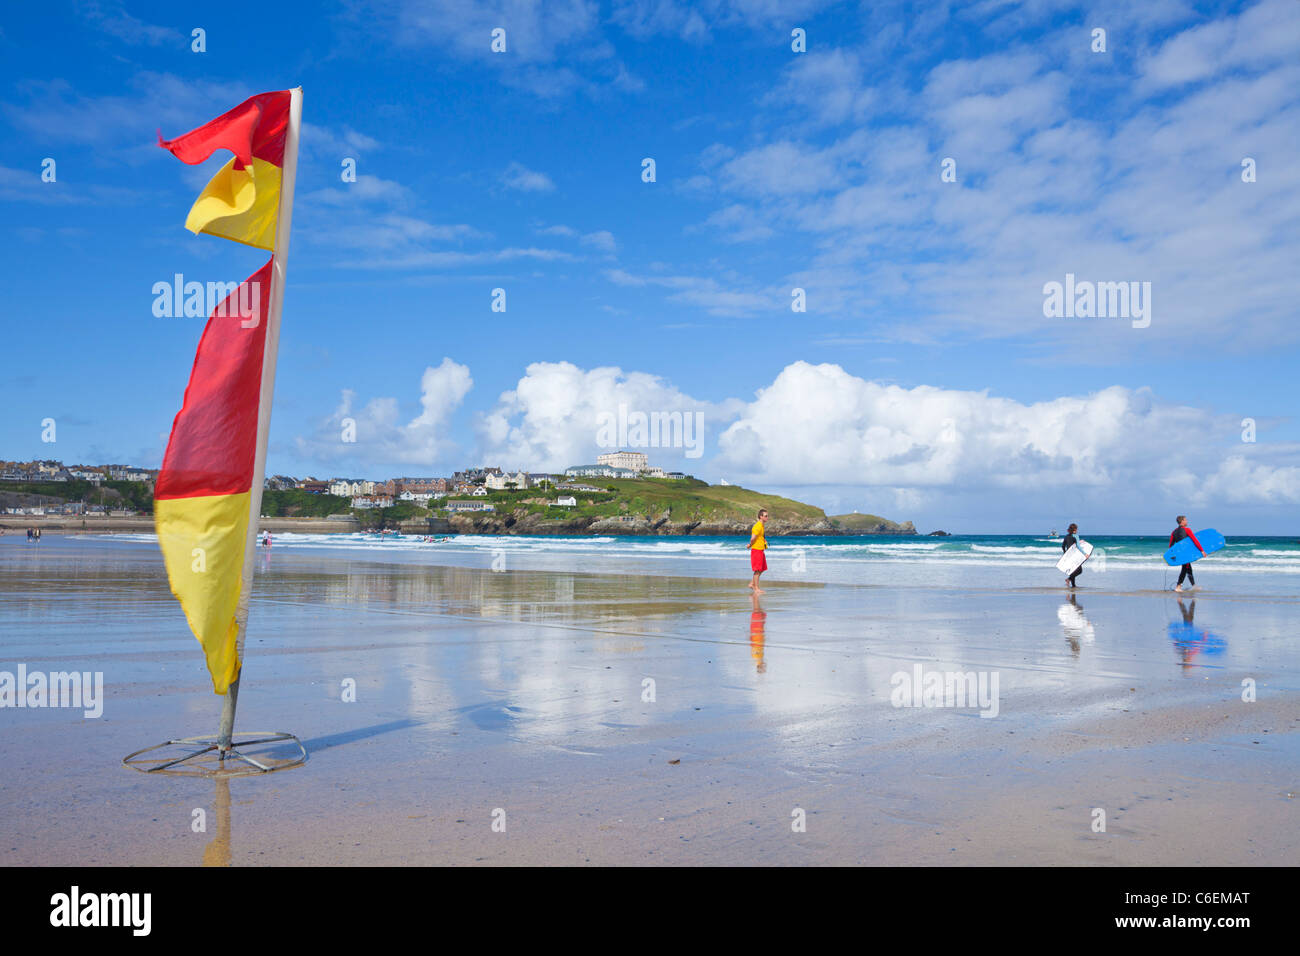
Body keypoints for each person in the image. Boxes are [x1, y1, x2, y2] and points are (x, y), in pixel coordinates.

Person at [1169, 515, 1204, 592]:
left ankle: (1194, 586)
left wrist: (1171, 555)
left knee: (1189, 569)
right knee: (1184, 569)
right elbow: (1195, 541)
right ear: (1182, 521)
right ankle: (1178, 586)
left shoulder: (1174, 532)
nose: (1187, 521)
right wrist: (1201, 550)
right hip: (1186, 554)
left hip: (1180, 554)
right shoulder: (1187, 530)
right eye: (1185, 520)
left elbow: (1171, 545)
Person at [748, 508, 768, 594]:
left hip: (761, 550)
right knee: (757, 570)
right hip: (756, 550)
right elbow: (753, 538)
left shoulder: (762, 526)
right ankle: (756, 588)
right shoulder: (757, 526)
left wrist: (764, 541)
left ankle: (752, 583)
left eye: (767, 516)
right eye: (766, 516)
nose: (767, 517)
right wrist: (750, 545)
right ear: (761, 516)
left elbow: (759, 537)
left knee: (762, 568)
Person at [1061, 522, 1083, 588]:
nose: (1077, 531)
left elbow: (1063, 546)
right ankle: (1069, 579)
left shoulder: (1066, 536)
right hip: (1074, 556)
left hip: (1068, 556)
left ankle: (1073, 586)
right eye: (1076, 529)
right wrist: (1085, 554)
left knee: (1072, 570)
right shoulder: (1076, 536)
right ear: (1074, 530)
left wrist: (1065, 553)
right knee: (1079, 570)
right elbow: (1078, 546)